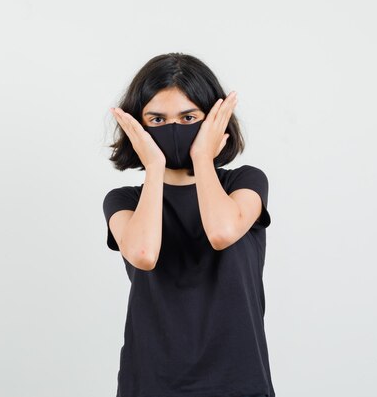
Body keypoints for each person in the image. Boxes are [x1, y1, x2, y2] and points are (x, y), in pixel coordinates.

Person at [102, 52, 275, 397]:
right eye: (156, 119)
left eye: (188, 117)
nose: (173, 129)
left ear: (212, 119)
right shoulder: (124, 201)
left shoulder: (244, 183)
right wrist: (154, 167)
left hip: (239, 383)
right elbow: (143, 253)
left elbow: (222, 232)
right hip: (150, 384)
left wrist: (201, 157)